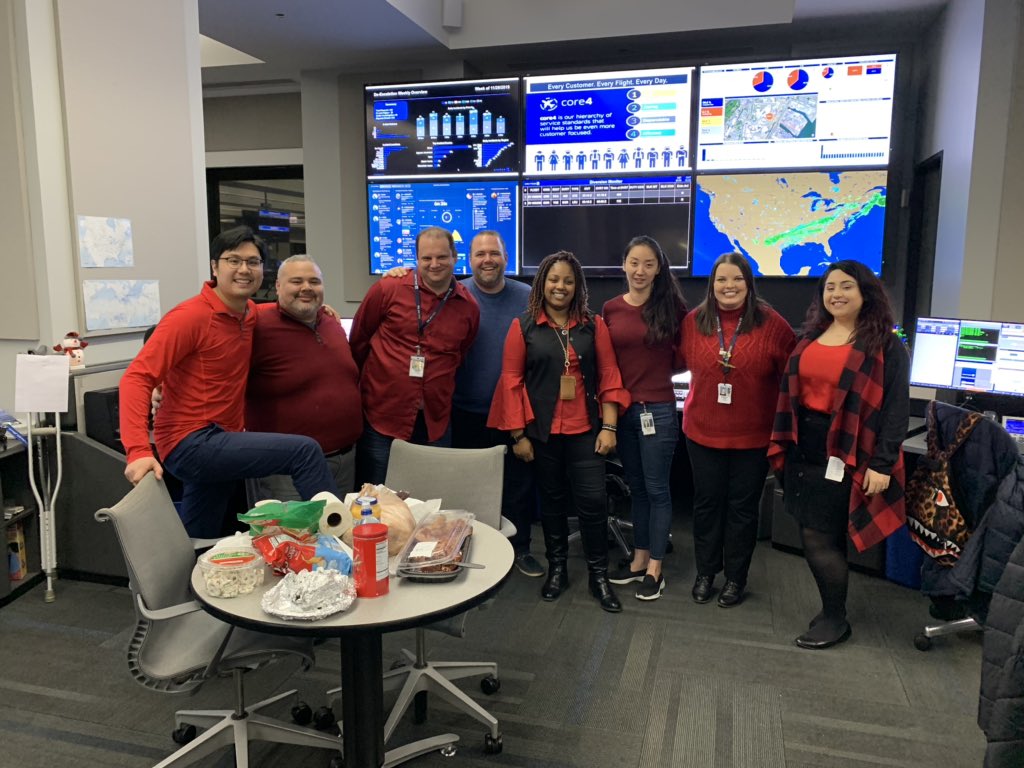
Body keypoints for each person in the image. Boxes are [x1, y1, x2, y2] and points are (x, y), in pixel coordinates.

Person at [118, 226, 338, 538]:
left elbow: (281, 307)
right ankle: (343, 538)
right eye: (234, 261)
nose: (244, 270)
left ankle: (177, 584)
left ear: (262, 270)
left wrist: (318, 310)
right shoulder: (189, 316)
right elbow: (137, 377)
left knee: (200, 534)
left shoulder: (247, 312)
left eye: (253, 262)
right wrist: (138, 450)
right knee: (304, 451)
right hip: (193, 441)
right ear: (214, 267)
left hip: (220, 438)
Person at [380, 231, 541, 577]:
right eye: (480, 253)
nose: (487, 260)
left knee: (518, 488)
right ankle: (467, 551)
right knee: (467, 491)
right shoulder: (456, 297)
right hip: (464, 411)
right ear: (467, 258)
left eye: (494, 254)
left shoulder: (527, 298)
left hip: (513, 415)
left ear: (505, 257)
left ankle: (521, 549)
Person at [769, 260, 909, 649]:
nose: (837, 294)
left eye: (846, 286)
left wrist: (882, 462)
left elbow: (897, 408)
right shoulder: (812, 335)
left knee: (819, 536)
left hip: (848, 450)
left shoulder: (885, 345)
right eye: (830, 287)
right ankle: (833, 606)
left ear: (866, 293)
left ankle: (835, 618)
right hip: (805, 445)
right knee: (818, 532)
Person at [488, 251, 630, 612]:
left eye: (568, 281)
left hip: (586, 431)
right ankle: (558, 570)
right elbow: (511, 383)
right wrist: (518, 436)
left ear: (577, 286)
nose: (560, 287)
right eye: (554, 280)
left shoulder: (593, 326)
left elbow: (610, 375)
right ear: (542, 284)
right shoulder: (523, 327)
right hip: (542, 434)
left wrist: (609, 426)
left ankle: (599, 577)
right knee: (551, 504)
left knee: (593, 504)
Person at [680, 252, 795, 608]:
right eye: (721, 280)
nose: (729, 287)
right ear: (711, 285)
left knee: (742, 510)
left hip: (753, 437)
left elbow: (792, 376)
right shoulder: (693, 322)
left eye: (736, 280)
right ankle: (706, 572)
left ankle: (735, 578)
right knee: (706, 506)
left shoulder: (772, 324)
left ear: (749, 283)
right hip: (702, 432)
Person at [350, 226, 480, 484]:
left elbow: (460, 354)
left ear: (455, 257)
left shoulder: (468, 307)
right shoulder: (388, 289)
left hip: (435, 420)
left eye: (442, 257)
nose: (434, 264)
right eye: (426, 258)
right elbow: (359, 341)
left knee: (432, 496)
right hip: (383, 417)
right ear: (416, 259)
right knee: (377, 499)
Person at [603, 236, 687, 601]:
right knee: (636, 488)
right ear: (624, 264)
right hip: (623, 411)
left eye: (648, 264)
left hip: (660, 411)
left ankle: (655, 566)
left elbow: (684, 360)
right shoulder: (610, 309)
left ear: (658, 269)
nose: (640, 270)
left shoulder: (672, 309)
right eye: (634, 262)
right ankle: (637, 559)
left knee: (657, 489)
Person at [246, 254, 362, 499]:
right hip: (286, 470)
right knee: (293, 536)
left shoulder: (331, 322)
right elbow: (212, 361)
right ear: (278, 286)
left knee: (337, 535)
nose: (306, 288)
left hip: (344, 461)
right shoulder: (256, 326)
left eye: (314, 282)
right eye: (296, 281)